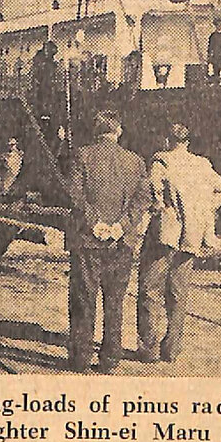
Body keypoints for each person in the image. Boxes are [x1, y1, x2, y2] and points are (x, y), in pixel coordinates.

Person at [63, 110, 150, 373]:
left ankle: (80, 358)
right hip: (121, 244)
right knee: (115, 302)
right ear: (119, 132)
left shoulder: (82, 155)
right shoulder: (135, 162)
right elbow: (143, 199)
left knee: (83, 300)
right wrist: (120, 227)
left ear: (95, 130)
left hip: (88, 242)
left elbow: (74, 195)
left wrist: (95, 224)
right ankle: (110, 359)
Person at [137, 123, 221, 363]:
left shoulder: (161, 161)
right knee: (178, 294)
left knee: (151, 289)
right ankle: (172, 349)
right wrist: (203, 208)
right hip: (191, 235)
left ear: (167, 140)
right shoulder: (202, 165)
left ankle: (149, 348)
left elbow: (152, 191)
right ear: (188, 143)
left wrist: (161, 205)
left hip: (164, 235)